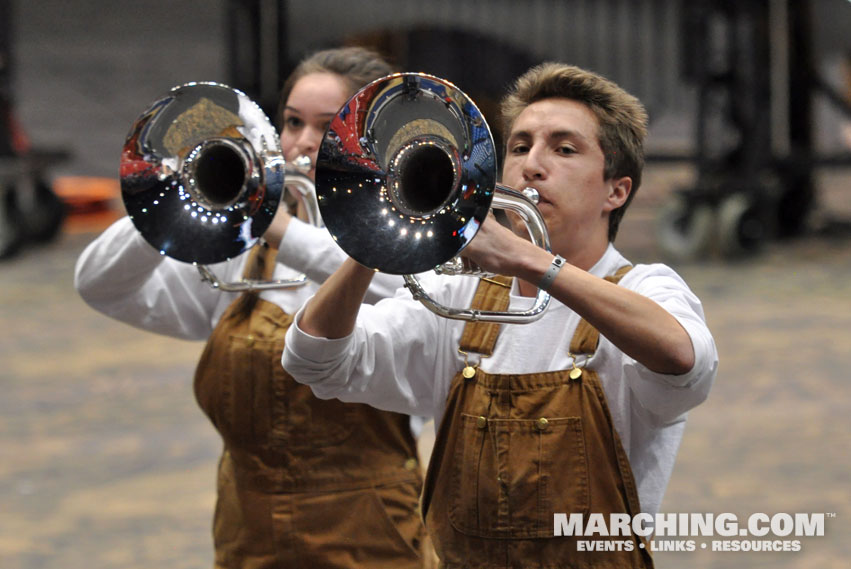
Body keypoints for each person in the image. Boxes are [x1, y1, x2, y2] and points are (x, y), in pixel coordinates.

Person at [282, 62, 719, 568]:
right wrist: (374, 236)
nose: (533, 164)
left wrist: (527, 257)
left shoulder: (646, 287)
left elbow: (688, 362)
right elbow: (313, 362)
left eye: (564, 149)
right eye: (519, 146)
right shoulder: (458, 295)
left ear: (615, 191)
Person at [75, 47, 432, 569]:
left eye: (327, 127)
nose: (303, 144)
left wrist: (275, 224)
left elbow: (397, 284)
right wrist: (175, 199)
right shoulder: (239, 255)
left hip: (369, 530)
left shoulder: (414, 243)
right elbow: (98, 285)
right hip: (247, 534)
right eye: (292, 123)